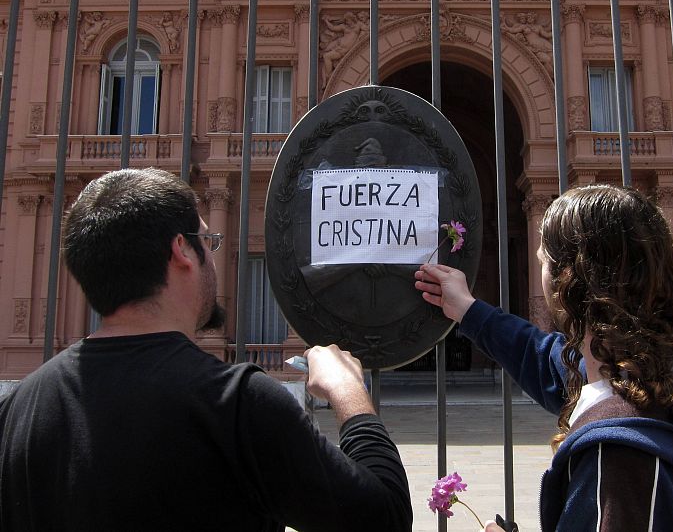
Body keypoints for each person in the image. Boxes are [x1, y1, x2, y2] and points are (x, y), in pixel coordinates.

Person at [0, 168, 412, 532]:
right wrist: (349, 393)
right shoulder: (236, 403)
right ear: (182, 250)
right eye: (208, 241)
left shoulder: (18, 408)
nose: (213, 258)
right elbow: (384, 517)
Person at [415, 184, 673, 532]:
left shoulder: (622, 453)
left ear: (569, 279)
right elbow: (548, 362)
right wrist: (470, 311)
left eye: (543, 262)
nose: (541, 273)